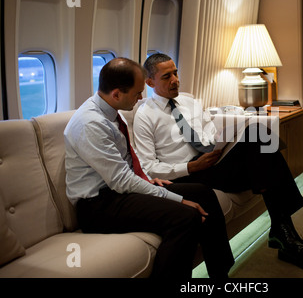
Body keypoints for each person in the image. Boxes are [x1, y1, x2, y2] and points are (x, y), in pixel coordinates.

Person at [133, 53, 303, 272]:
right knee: (262, 152)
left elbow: (209, 130)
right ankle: (285, 235)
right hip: (187, 173)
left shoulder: (189, 101)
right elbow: (148, 167)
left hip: (211, 161)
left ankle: (283, 230)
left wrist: (222, 145)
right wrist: (191, 166)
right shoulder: (145, 115)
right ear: (150, 82)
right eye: (166, 76)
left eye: (175, 72)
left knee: (258, 133)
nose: (175, 79)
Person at [64, 57, 234, 280]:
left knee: (203, 193)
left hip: (118, 193)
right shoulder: (90, 124)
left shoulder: (108, 110)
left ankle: (220, 274)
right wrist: (176, 199)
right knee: (185, 216)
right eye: (137, 93)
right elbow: (121, 181)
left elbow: (125, 172)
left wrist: (147, 180)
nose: (141, 98)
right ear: (116, 94)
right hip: (98, 206)